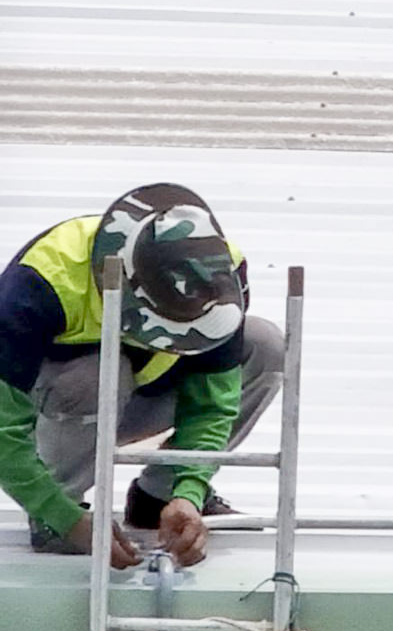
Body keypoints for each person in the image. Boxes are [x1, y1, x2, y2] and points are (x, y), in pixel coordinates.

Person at [8, 187, 283, 568]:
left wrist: (188, 491)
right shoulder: (44, 280)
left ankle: (157, 497)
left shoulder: (218, 277)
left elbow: (213, 404)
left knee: (264, 344)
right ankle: (59, 510)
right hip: (57, 410)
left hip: (141, 396)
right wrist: (63, 516)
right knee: (102, 372)